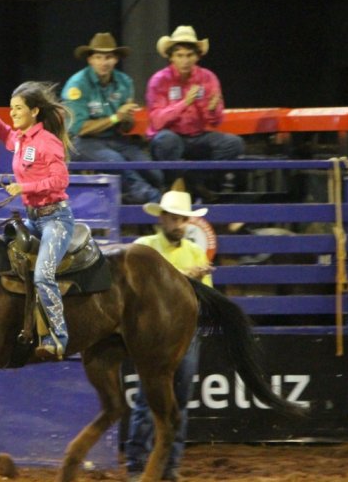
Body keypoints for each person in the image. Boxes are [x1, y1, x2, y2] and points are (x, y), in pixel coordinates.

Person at [0, 82, 74, 359]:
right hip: (33, 218)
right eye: (12, 108)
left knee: (43, 275)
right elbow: (7, 136)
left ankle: (58, 336)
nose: (14, 114)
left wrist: (24, 188)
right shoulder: (21, 139)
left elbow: (61, 179)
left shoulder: (48, 142)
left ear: (34, 111)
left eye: (19, 109)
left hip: (55, 218)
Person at [125, 190, 214, 482]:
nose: (178, 224)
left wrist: (195, 282)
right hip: (152, 335)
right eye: (173, 218)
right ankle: (139, 464)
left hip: (184, 333)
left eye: (182, 219)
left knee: (177, 401)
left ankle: (166, 465)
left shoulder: (192, 252)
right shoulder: (144, 248)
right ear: (162, 218)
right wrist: (189, 278)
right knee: (148, 400)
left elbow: (208, 298)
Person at [61, 32, 163, 205]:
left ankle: (127, 202)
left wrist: (127, 119)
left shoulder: (125, 82)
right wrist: (117, 117)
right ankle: (156, 202)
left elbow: (126, 127)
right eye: (98, 57)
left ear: (116, 59)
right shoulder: (77, 85)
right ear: (90, 60)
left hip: (116, 139)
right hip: (82, 142)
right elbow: (79, 128)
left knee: (154, 173)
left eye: (108, 57)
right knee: (117, 163)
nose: (104, 62)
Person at [146, 26, 244, 196]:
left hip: (198, 137)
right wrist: (185, 103)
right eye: (179, 55)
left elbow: (216, 121)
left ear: (197, 56)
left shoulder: (208, 78)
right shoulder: (159, 80)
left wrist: (212, 110)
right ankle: (182, 186)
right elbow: (157, 121)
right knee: (167, 141)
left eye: (189, 55)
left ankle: (193, 182)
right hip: (170, 136)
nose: (185, 60)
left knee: (233, 144)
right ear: (171, 57)